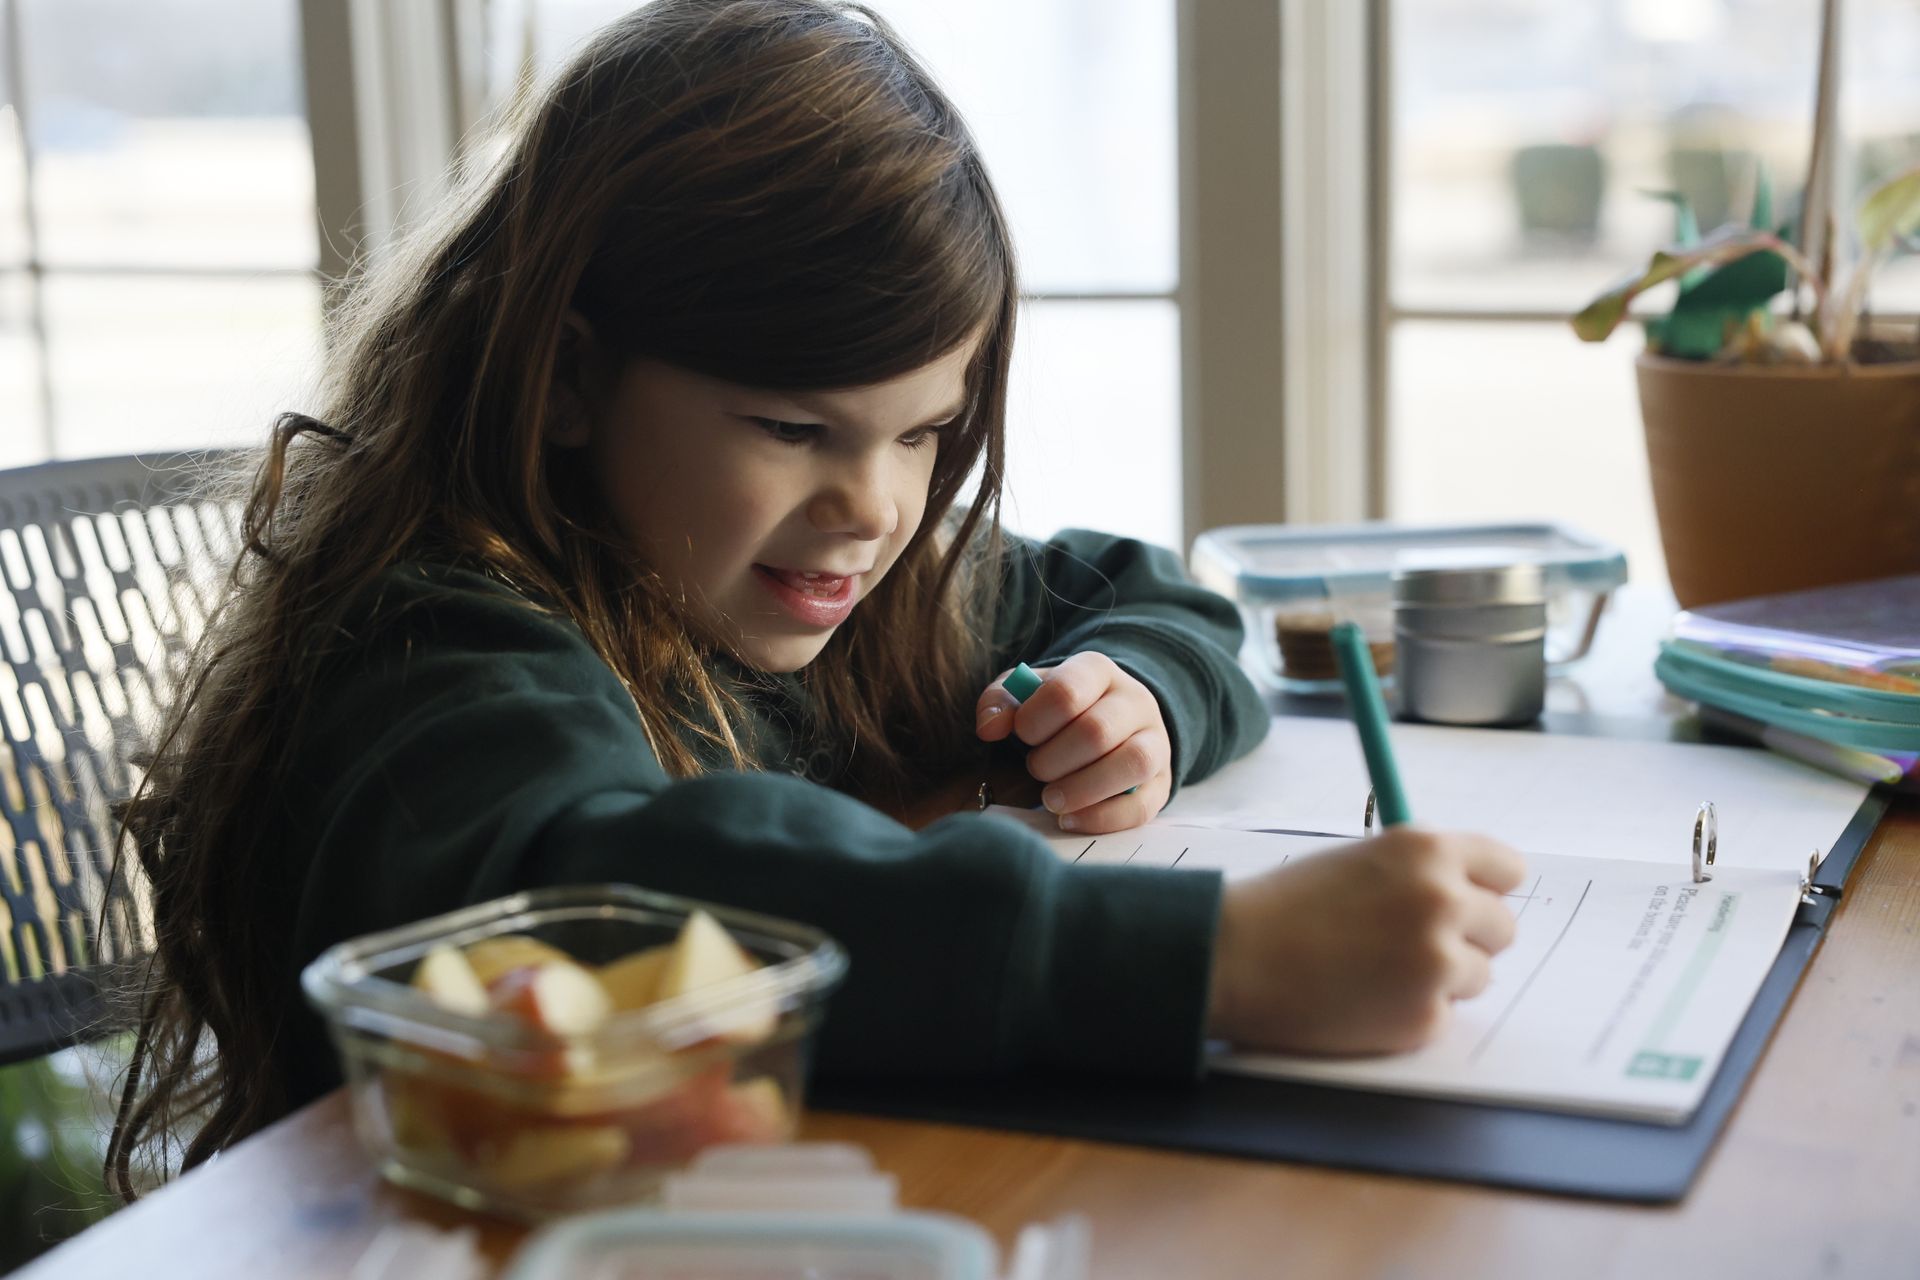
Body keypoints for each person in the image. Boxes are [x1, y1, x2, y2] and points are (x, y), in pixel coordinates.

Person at [106, 0, 1524, 1197]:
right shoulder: (437, 644)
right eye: (794, 429)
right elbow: (606, 907)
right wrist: (1215, 961)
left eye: (921, 434)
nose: (877, 510)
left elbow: (1133, 589)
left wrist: (1135, 691)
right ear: (570, 382)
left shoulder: (821, 580)